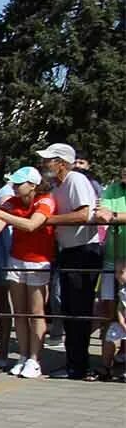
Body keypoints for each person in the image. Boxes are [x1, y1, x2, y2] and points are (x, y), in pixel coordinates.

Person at [37, 144, 105, 380]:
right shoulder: (58, 186)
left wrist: (49, 220)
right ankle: (73, 362)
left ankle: (80, 365)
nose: (45, 165)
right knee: (68, 310)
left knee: (79, 310)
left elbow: (84, 215)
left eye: (49, 160)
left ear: (62, 163)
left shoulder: (75, 180)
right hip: (67, 251)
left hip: (84, 251)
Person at [0, 166, 54, 379]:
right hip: (16, 259)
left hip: (38, 261)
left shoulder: (45, 200)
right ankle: (23, 356)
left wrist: (1, 213)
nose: (13, 187)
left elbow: (32, 225)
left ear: (32, 185)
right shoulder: (11, 203)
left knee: (35, 312)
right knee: (19, 312)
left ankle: (34, 358)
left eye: (18, 183)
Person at [97, 162, 126, 381]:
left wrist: (114, 215)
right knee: (108, 309)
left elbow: (111, 215)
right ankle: (105, 364)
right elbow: (101, 212)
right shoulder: (113, 188)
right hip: (112, 258)